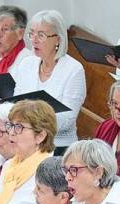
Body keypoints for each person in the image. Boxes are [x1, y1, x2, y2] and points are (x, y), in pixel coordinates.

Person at [10, 10, 85, 148]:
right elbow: (16, 103)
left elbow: (68, 119)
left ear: (58, 39)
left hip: (58, 147)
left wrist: (30, 119)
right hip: (27, 144)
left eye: (41, 35)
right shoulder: (27, 64)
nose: (34, 40)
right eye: (31, 33)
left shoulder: (73, 69)